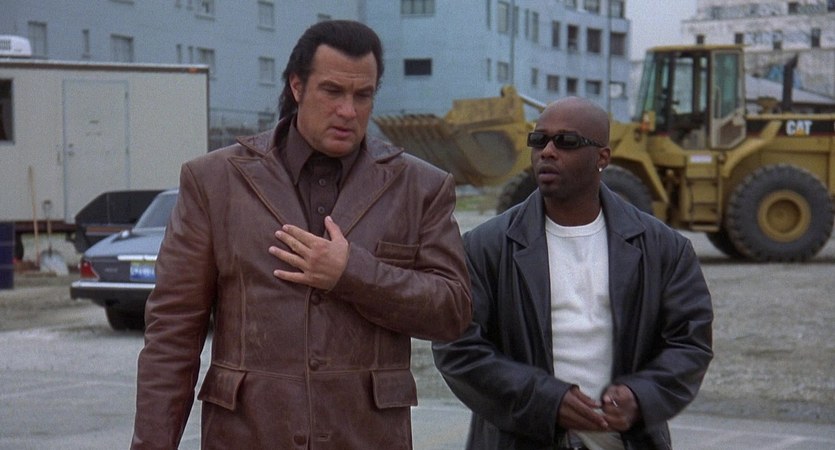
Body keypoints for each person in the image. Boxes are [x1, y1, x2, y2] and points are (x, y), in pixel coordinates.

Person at [131, 20, 472, 449]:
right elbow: (172, 334)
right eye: (332, 91)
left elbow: (453, 309)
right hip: (248, 436)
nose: (348, 111)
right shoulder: (215, 181)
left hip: (365, 437)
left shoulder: (421, 187)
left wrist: (353, 273)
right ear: (297, 86)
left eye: (362, 95)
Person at [432, 97, 713, 450]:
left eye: (566, 142)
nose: (547, 152)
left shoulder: (663, 249)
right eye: (539, 140)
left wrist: (640, 397)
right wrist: (546, 401)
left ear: (602, 157)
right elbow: (457, 347)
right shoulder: (486, 247)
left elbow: (689, 343)